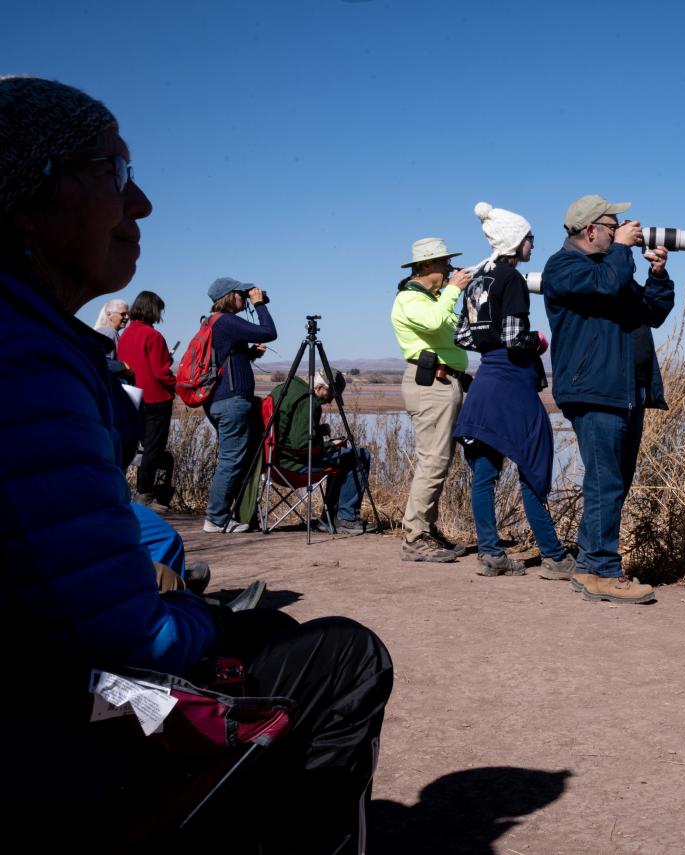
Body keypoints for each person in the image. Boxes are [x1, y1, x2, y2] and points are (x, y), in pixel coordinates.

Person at [0, 76, 392, 851]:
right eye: (114, 171)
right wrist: (202, 618)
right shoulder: (26, 360)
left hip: (37, 678)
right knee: (348, 652)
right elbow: (126, 633)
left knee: (255, 614)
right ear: (28, 194)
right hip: (44, 723)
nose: (140, 203)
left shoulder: (38, 339)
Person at [542, 195, 675, 604]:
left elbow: (651, 313)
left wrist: (657, 276)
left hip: (625, 392)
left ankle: (587, 567)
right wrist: (621, 251)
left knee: (612, 483)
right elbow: (606, 287)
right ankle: (602, 570)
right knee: (605, 481)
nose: (622, 231)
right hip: (594, 391)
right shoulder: (564, 267)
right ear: (591, 231)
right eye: (614, 226)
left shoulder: (610, 269)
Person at [454, 202, 575, 578]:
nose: (533, 245)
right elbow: (513, 338)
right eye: (529, 239)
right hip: (512, 385)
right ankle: (553, 556)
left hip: (485, 385)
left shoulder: (476, 281)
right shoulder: (513, 281)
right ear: (514, 241)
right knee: (533, 465)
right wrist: (538, 341)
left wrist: (490, 342)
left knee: (486, 474)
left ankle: (491, 553)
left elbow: (461, 336)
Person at [391, 237, 472, 562]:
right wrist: (454, 290)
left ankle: (424, 529)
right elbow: (435, 322)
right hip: (430, 385)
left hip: (444, 383)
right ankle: (414, 537)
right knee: (434, 462)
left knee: (438, 462)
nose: (450, 269)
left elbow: (451, 329)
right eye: (443, 263)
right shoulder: (410, 299)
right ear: (426, 266)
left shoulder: (433, 299)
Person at [202, 275, 277, 533]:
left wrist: (248, 354)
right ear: (230, 296)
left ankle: (222, 515)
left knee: (231, 458)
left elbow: (225, 358)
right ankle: (216, 519)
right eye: (242, 295)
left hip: (221, 400)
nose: (245, 299)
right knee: (231, 460)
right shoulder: (226, 321)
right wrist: (259, 304)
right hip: (231, 401)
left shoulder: (213, 322)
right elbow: (269, 332)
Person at [268, 369, 373, 536]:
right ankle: (346, 518)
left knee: (343, 458)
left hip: (274, 462)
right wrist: (331, 445)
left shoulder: (286, 388)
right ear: (318, 388)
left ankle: (330, 518)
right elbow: (303, 446)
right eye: (330, 395)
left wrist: (317, 430)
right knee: (359, 455)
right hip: (293, 465)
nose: (329, 401)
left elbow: (291, 429)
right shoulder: (309, 402)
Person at [118, 289, 176, 510]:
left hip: (132, 398)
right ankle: (145, 494)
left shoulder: (125, 335)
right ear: (153, 310)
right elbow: (161, 373)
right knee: (154, 448)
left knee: (135, 447)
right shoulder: (153, 336)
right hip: (156, 398)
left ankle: (131, 490)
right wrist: (178, 385)